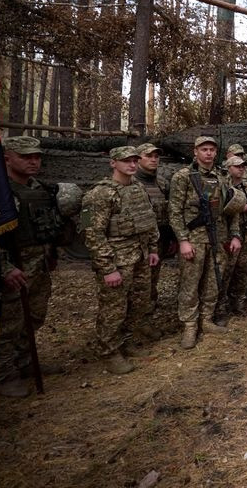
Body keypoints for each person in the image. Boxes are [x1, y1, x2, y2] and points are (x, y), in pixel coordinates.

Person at [0, 136, 67, 397]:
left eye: (36, 157)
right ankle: (4, 375)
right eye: (25, 157)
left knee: (34, 316)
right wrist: (4, 268)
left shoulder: (41, 189)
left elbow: (47, 225)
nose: (33, 161)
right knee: (9, 323)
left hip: (39, 262)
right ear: (7, 158)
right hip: (14, 265)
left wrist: (52, 252)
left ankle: (24, 362)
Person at [82, 146, 160, 375]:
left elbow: (148, 221)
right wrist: (108, 268)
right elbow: (91, 233)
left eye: (135, 160)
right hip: (117, 261)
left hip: (140, 257)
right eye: (126, 161)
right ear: (113, 163)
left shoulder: (138, 188)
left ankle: (127, 341)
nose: (132, 165)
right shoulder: (99, 194)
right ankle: (109, 351)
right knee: (113, 308)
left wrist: (153, 249)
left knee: (138, 302)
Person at [169, 136, 242, 349]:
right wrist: (183, 240)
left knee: (213, 281)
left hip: (218, 238)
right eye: (204, 149)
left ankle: (206, 320)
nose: (208, 153)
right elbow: (174, 211)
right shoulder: (183, 176)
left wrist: (235, 235)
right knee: (190, 284)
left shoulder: (222, 176)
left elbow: (232, 208)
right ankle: (190, 325)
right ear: (196, 152)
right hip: (194, 239)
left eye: (212, 149)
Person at [217, 155, 247, 322]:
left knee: (243, 270)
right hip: (229, 236)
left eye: (243, 166)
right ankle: (221, 306)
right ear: (229, 168)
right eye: (237, 166)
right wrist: (239, 207)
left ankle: (239, 303)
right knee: (226, 272)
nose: (241, 169)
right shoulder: (223, 187)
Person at [135, 142, 171, 313]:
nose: (154, 159)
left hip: (158, 239)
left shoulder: (162, 183)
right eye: (148, 156)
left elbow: (170, 211)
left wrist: (171, 238)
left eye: (156, 156)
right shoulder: (131, 183)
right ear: (138, 159)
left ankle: (149, 304)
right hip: (136, 241)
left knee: (153, 274)